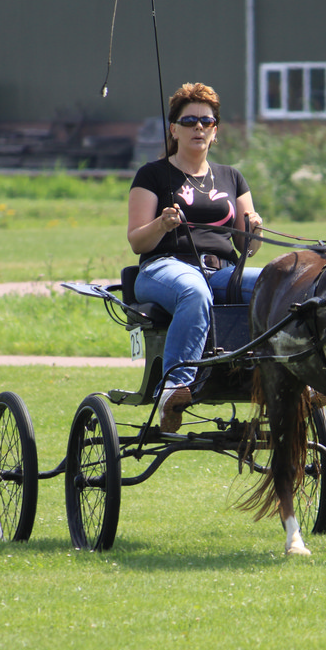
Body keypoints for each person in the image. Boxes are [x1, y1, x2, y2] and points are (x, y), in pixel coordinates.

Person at [127, 82, 263, 432]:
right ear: (174, 129)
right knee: (194, 291)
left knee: (278, 284)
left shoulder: (232, 177)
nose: (198, 127)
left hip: (223, 272)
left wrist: (255, 232)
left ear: (216, 130)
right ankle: (174, 388)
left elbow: (247, 247)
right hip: (163, 268)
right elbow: (137, 241)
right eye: (189, 121)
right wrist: (161, 224)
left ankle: (294, 377)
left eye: (207, 121)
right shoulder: (152, 175)